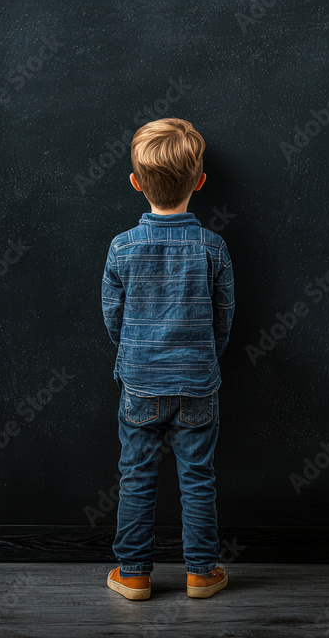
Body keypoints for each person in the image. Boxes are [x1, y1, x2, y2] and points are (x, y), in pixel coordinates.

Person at [101, 117, 235, 601]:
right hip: (199, 383)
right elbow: (223, 320)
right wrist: (203, 359)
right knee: (197, 478)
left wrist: (135, 357)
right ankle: (201, 573)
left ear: (137, 183)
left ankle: (134, 574)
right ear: (199, 182)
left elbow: (113, 319)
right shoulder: (213, 248)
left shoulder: (122, 248)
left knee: (136, 475)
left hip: (139, 383)